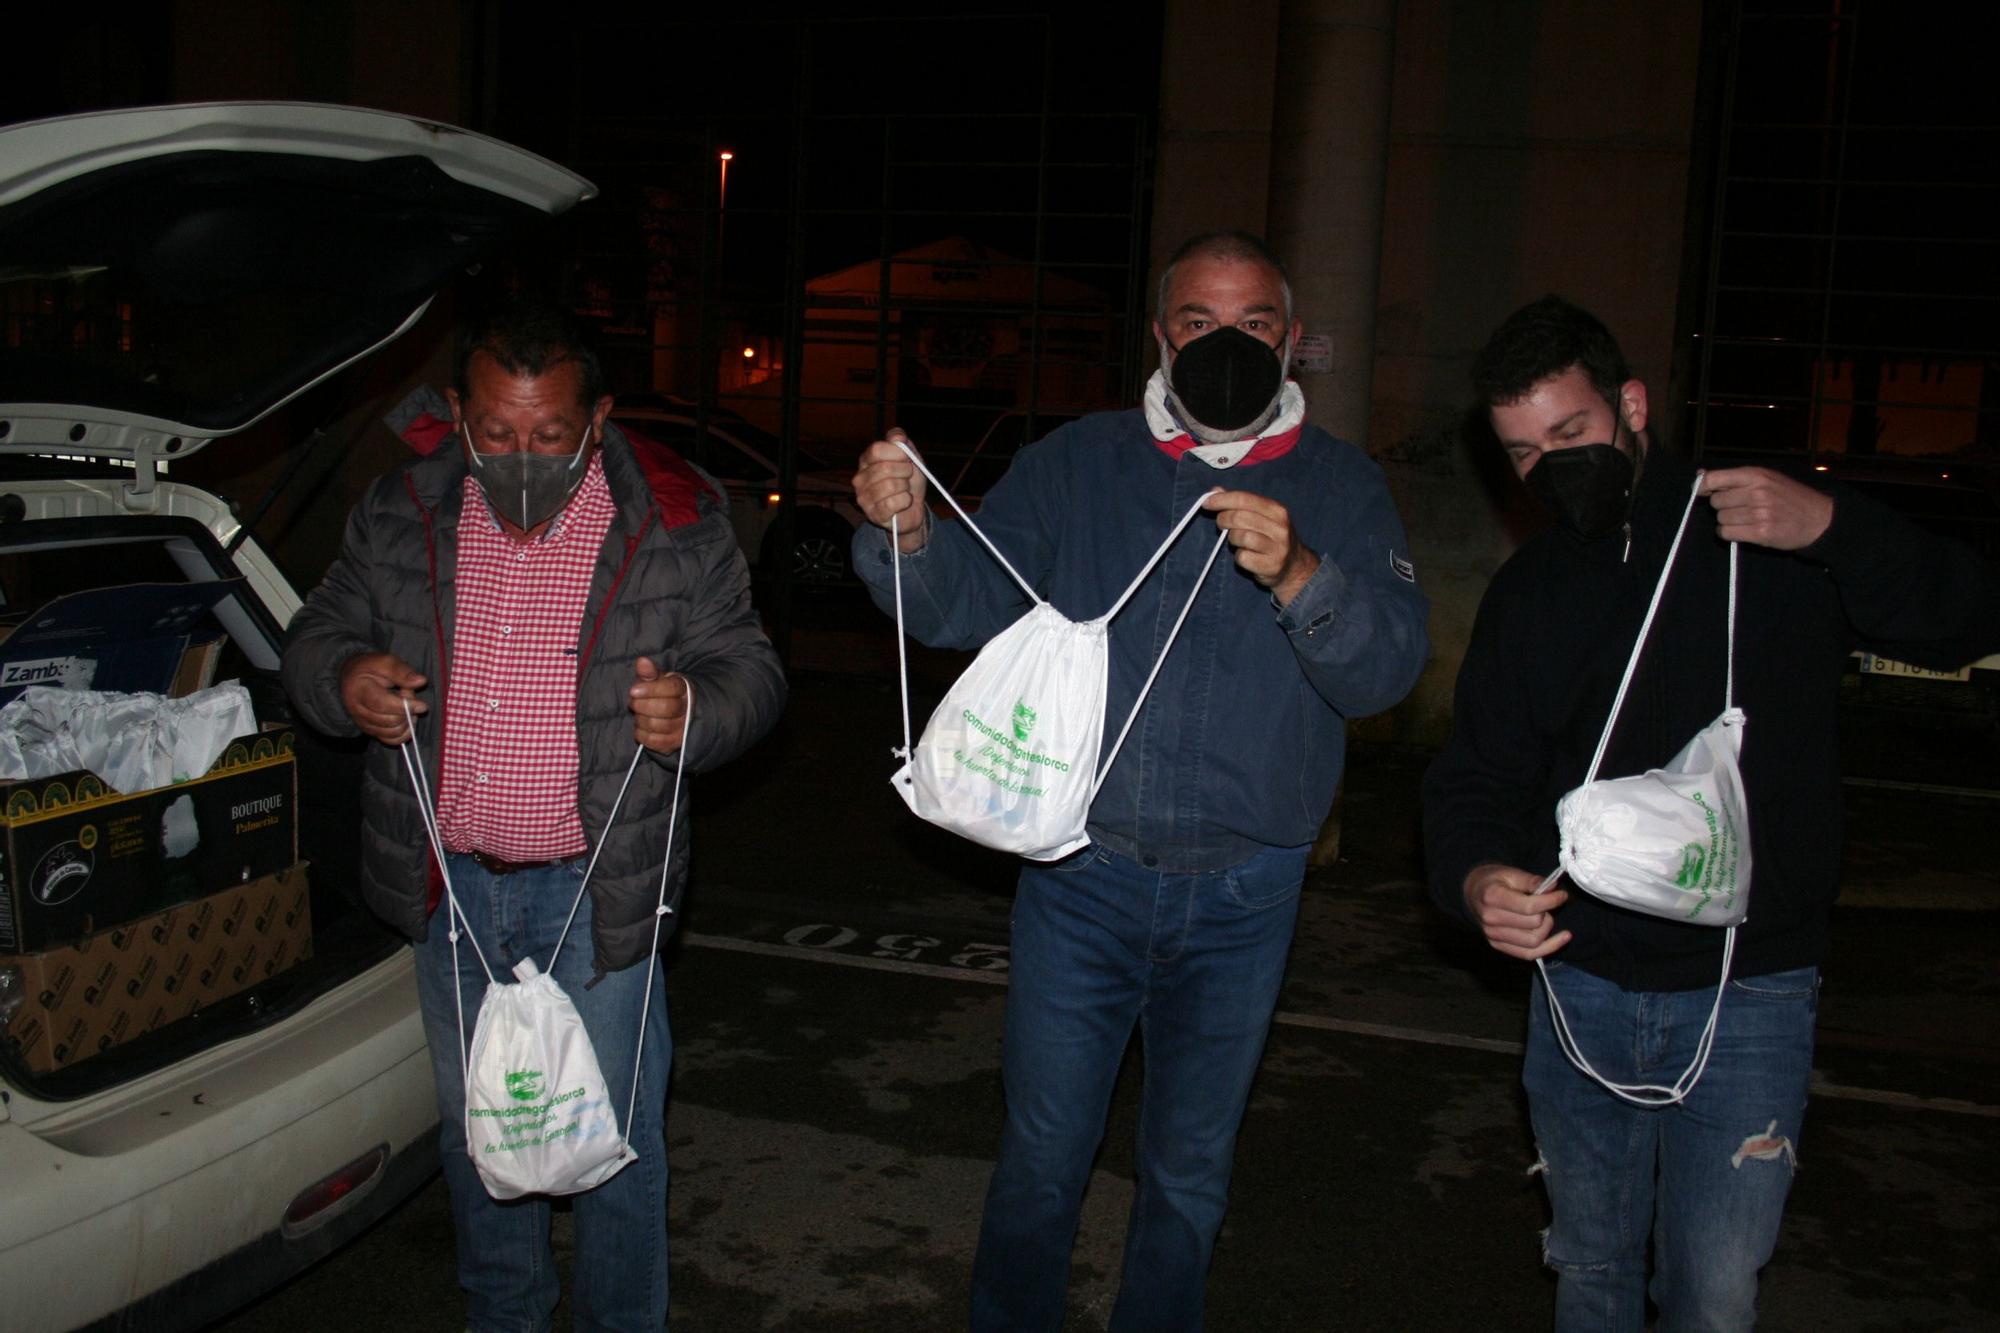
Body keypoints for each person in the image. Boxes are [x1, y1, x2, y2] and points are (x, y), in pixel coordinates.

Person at [850, 230, 1430, 1330]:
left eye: (1254, 325)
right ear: (1160, 337)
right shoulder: (1082, 461)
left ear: (1292, 343)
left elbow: (1385, 672)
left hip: (1244, 892)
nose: (1227, 345)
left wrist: (1305, 576)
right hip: (1082, 877)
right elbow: (960, 601)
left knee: (1188, 1174)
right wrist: (907, 530)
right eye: (1198, 323)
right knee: (1039, 1157)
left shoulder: (1342, 485)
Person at [1422, 295, 2000, 1330]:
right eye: (1521, 453)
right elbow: (1476, 777)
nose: (1551, 466)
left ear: (1631, 405)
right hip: (1580, 985)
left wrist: (1834, 528)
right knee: (1588, 1271)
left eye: (1571, 434)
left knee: (1711, 1295)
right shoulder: (1532, 589)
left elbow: (1962, 614)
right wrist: (1474, 881)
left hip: (1748, 992)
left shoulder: (1768, 532)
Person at [282, 301, 785, 1331]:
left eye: (549, 435)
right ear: (462, 418)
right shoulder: (401, 510)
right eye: (498, 433)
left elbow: (751, 667)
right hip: (454, 890)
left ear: (595, 420)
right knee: (484, 1141)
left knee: (607, 1143)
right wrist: (344, 677)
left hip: (596, 891)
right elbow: (319, 626)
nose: (521, 456)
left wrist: (697, 707)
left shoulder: (674, 526)